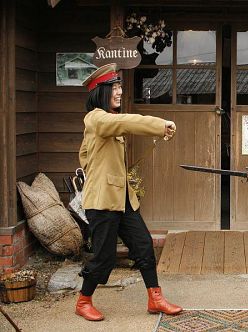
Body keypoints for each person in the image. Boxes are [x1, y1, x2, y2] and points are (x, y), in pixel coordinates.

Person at [75, 63, 182, 321]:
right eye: (115, 87)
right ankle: (83, 300)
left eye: (120, 86)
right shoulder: (96, 118)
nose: (120, 91)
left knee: (144, 245)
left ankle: (155, 298)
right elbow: (124, 122)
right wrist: (159, 124)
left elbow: (84, 155)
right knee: (104, 257)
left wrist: (96, 166)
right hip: (102, 202)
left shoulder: (106, 122)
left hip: (122, 199)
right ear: (101, 91)